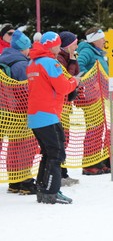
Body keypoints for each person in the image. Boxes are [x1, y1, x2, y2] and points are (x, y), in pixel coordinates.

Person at [26, 31, 80, 204]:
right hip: (48, 115)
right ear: (53, 45)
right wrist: (75, 81)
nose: (59, 47)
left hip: (36, 115)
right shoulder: (50, 63)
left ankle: (44, 189)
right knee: (56, 154)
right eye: (58, 44)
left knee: (48, 153)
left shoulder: (33, 62)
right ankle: (51, 191)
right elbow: (63, 87)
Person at [0, 29, 37, 194]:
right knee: (23, 145)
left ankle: (13, 181)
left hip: (4, 109)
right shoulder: (22, 64)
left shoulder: (3, 59)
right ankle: (25, 181)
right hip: (18, 110)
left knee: (11, 146)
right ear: (25, 47)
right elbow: (28, 89)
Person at [77, 27, 110, 175]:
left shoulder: (97, 53)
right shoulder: (87, 51)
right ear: (94, 39)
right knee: (93, 129)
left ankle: (97, 160)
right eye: (102, 38)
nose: (104, 41)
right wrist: (90, 82)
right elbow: (79, 66)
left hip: (99, 96)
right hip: (91, 97)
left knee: (99, 129)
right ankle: (89, 163)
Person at [57, 31, 80, 186]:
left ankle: (63, 172)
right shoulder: (59, 58)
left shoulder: (70, 56)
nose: (76, 46)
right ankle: (59, 173)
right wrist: (71, 61)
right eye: (74, 43)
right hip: (60, 104)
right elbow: (67, 77)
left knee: (65, 139)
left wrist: (73, 60)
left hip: (65, 104)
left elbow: (75, 74)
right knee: (59, 140)